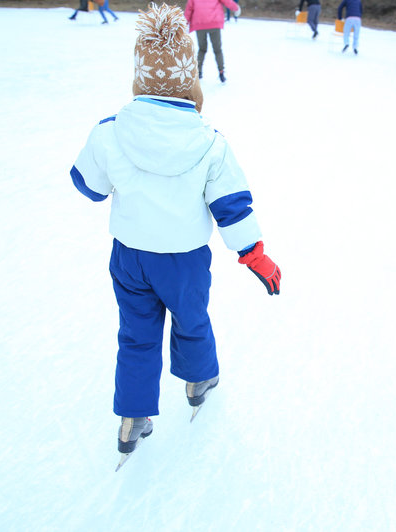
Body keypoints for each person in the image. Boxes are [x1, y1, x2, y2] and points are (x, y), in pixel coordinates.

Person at [69, 3, 281, 460]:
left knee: (136, 334)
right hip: (183, 261)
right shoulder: (210, 142)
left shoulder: (110, 132)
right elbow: (231, 206)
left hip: (130, 258)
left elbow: (87, 186)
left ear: (139, 76)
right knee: (191, 322)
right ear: (190, 80)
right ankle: (199, 380)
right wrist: (254, 253)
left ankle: (133, 417)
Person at [185, 0, 241, 82]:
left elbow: (189, 9)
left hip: (199, 23)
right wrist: (236, 8)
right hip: (214, 22)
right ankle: (221, 72)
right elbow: (227, 1)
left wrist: (185, 23)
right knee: (217, 50)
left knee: (202, 49)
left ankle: (198, 71)